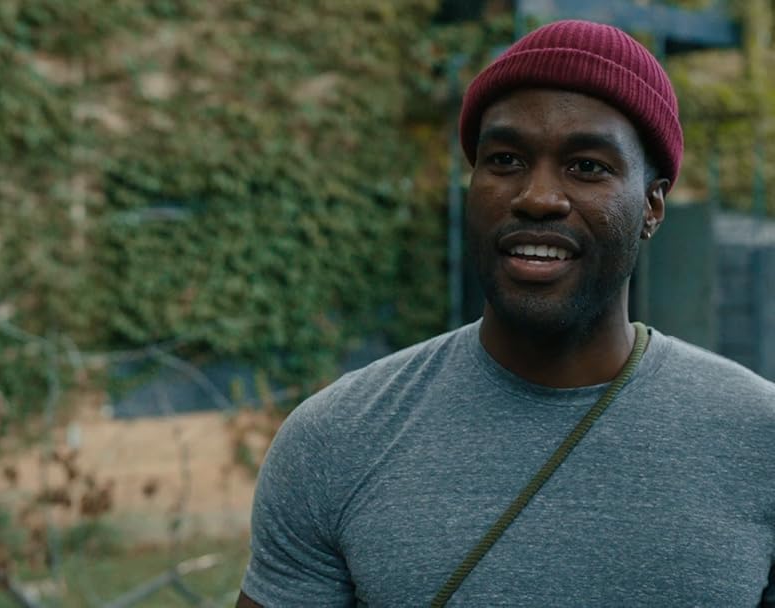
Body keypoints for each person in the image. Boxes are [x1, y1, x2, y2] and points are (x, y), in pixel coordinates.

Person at [237, 19, 775, 607]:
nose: (537, 197)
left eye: (587, 166)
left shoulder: (759, 438)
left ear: (652, 205)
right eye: (505, 159)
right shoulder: (336, 441)